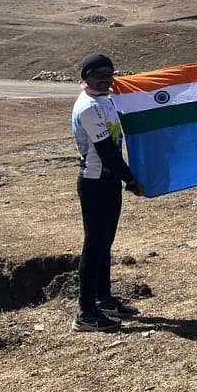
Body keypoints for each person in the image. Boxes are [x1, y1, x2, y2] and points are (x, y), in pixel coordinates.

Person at [71, 53, 144, 332]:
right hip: (94, 182)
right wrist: (132, 180)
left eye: (109, 74)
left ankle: (103, 299)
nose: (105, 80)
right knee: (94, 245)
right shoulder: (89, 107)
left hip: (108, 181)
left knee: (105, 243)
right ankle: (85, 312)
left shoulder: (105, 101)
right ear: (85, 77)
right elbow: (107, 152)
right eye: (98, 75)